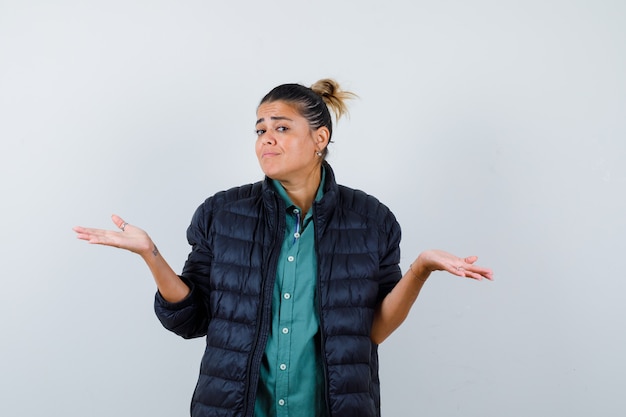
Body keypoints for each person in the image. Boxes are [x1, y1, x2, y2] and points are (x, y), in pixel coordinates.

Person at [73, 79, 493, 417]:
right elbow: (191, 318)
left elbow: (373, 332)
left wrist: (420, 269)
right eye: (260, 129)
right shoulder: (222, 214)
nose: (266, 139)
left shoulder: (371, 219)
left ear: (319, 138)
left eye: (281, 127)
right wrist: (151, 254)